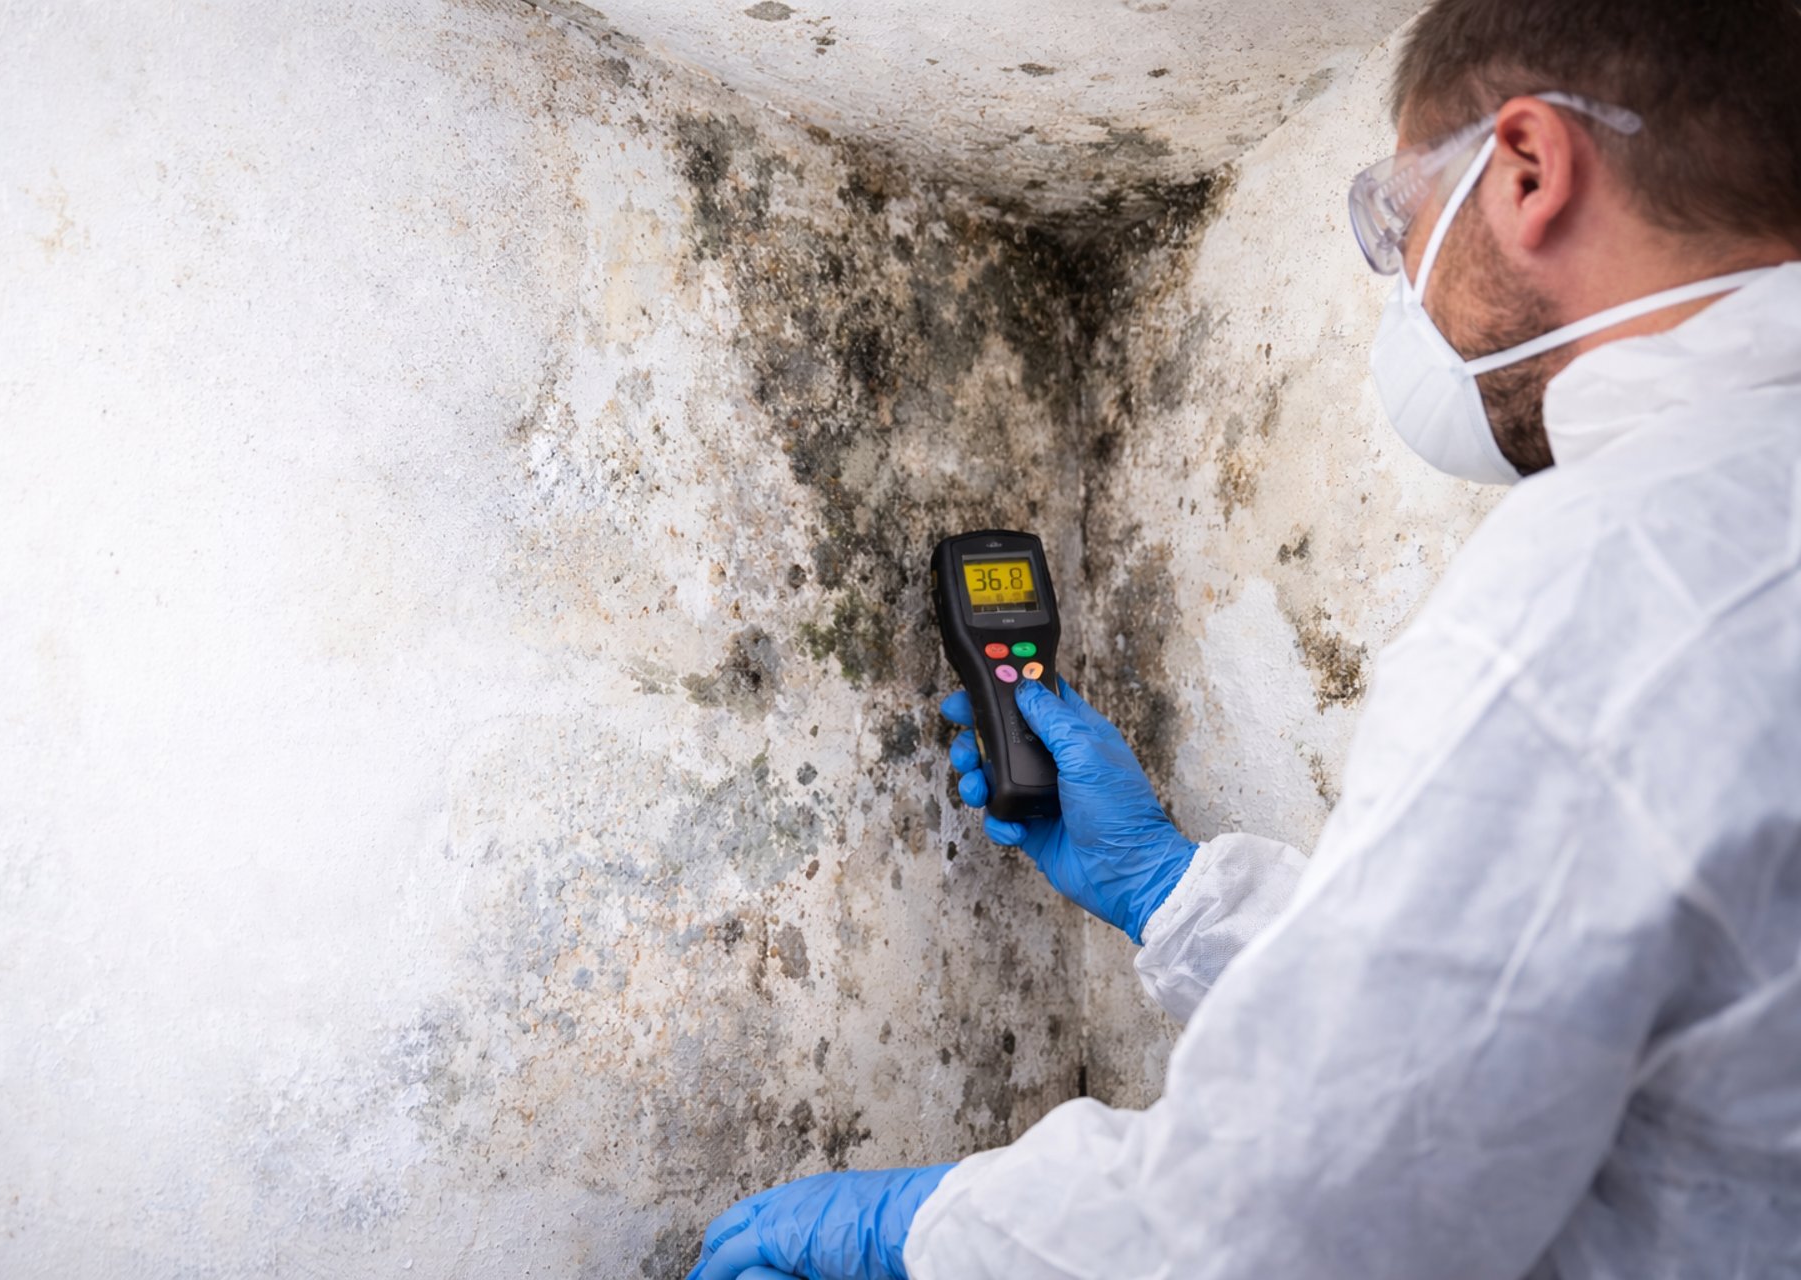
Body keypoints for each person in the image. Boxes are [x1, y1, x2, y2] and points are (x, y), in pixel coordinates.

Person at [688, 0, 1801, 1274]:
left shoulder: (1608, 576)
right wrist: (1172, 889)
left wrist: (919, 1226)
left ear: (1530, 169)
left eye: (1402, 219)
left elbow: (1283, 1224)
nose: (1406, 281)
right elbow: (1476, 1016)